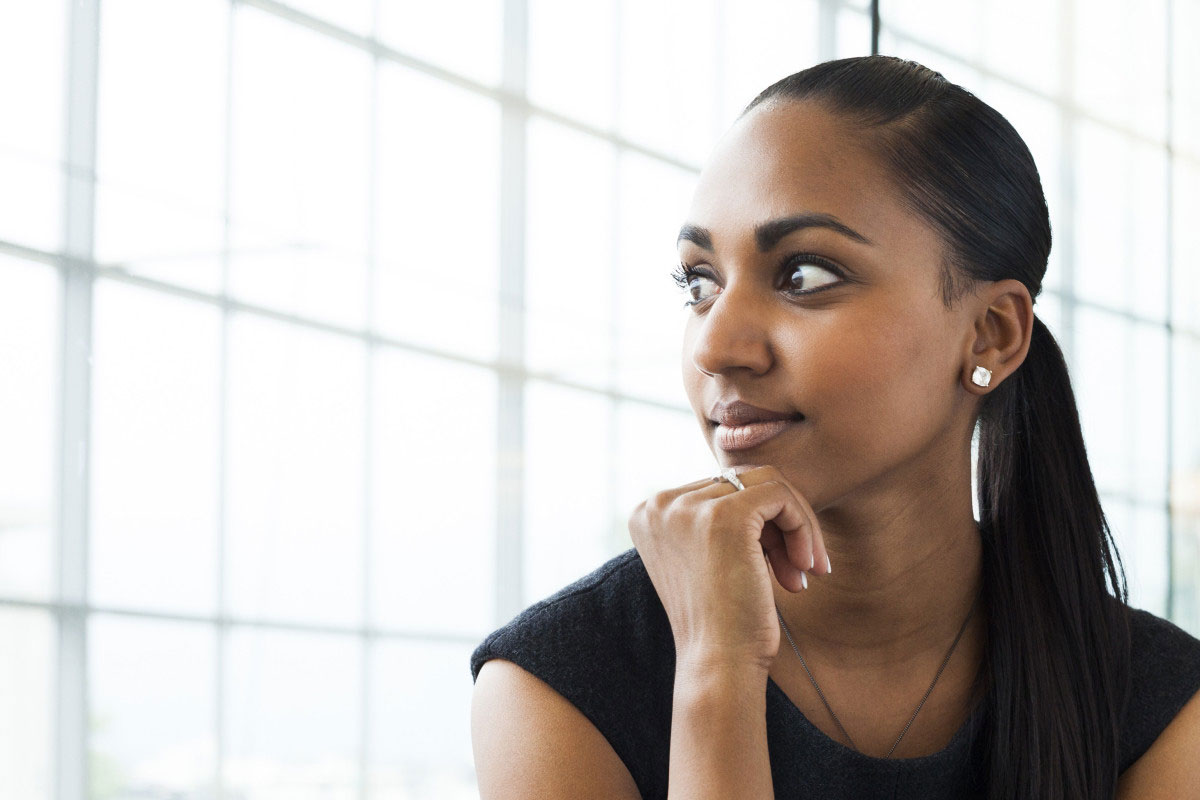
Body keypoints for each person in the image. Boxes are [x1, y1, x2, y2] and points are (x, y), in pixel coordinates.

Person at [467, 55, 1200, 799]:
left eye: (804, 276)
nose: (717, 347)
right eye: (699, 282)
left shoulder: (1160, 707)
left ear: (989, 333)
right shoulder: (565, 683)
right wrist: (717, 673)